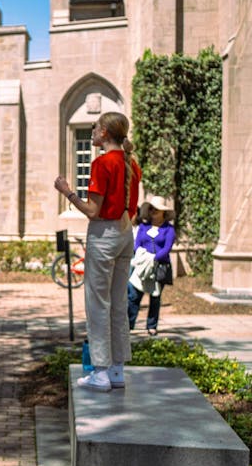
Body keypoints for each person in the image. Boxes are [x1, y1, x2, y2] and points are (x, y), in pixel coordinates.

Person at [54, 111, 142, 392]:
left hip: (104, 234)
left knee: (97, 304)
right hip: (126, 233)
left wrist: (67, 192)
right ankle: (117, 369)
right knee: (118, 303)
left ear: (104, 132)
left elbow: (92, 210)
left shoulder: (102, 163)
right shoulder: (132, 164)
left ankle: (100, 371)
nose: (92, 132)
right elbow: (132, 208)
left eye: (95, 127)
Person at [128, 195, 176, 336]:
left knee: (155, 298)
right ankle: (128, 324)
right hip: (142, 266)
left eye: (156, 209)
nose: (153, 211)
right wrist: (144, 256)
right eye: (151, 208)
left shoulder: (169, 229)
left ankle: (152, 326)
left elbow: (167, 248)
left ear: (164, 212)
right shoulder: (144, 226)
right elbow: (138, 244)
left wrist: (154, 258)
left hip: (159, 266)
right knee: (133, 295)